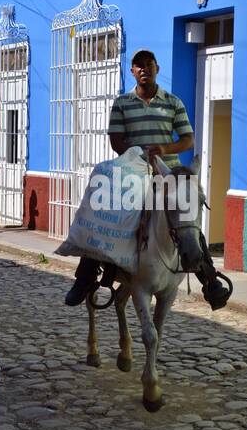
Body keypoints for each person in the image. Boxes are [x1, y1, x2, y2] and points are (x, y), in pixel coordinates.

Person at [65, 49, 194, 306]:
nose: (144, 69)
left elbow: (188, 139)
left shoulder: (173, 102)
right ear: (132, 71)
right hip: (133, 172)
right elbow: (116, 140)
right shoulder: (122, 103)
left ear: (157, 68)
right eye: (139, 66)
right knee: (102, 209)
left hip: (167, 174)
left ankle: (208, 276)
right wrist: (137, 156)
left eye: (149, 64)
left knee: (190, 216)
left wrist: (164, 151)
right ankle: (86, 275)